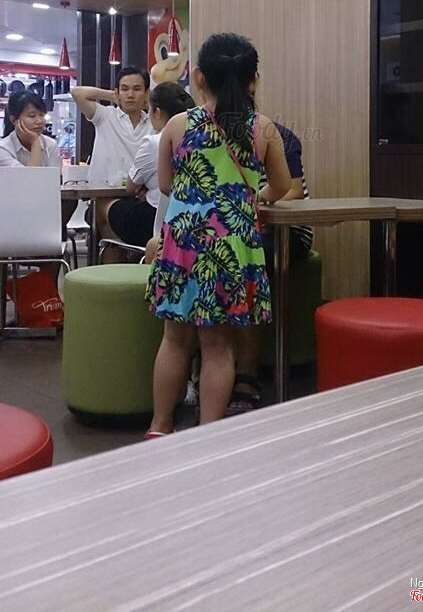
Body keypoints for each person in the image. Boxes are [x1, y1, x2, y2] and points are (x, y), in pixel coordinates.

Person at [145, 32, 291, 435]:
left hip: (182, 244)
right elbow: (281, 186)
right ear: (253, 81)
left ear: (198, 78)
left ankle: (159, 426)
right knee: (217, 345)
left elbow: (166, 185)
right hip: (232, 244)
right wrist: (253, 196)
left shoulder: (176, 125)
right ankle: (208, 435)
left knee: (174, 340)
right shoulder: (263, 129)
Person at [228, 119, 313, 413]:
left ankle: (246, 373)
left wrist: (253, 202)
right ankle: (203, 367)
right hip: (236, 230)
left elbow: (292, 191)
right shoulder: (209, 132)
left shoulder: (276, 135)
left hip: (287, 230)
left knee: (245, 263)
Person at [107, 83, 194, 249]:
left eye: (149, 109)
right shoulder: (198, 140)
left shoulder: (154, 142)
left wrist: (146, 187)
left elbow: (131, 186)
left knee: (104, 208)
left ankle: (113, 257)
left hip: (154, 219)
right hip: (188, 218)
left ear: (157, 112)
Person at [71, 66, 151, 247]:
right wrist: (112, 96)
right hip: (104, 196)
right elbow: (77, 93)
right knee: (110, 232)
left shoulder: (153, 123)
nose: (130, 94)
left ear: (146, 93)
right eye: (125, 89)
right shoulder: (106, 115)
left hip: (141, 198)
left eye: (137, 89)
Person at [0, 91, 60, 168]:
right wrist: (35, 142)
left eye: (42, 115)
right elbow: (30, 175)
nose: (39, 121)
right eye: (32, 116)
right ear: (14, 120)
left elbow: (55, 175)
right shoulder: (3, 149)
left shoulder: (50, 145)